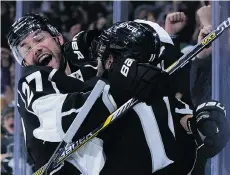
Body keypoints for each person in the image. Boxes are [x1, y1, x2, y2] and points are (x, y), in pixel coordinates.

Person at [7, 14, 229, 175]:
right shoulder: (33, 83)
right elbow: (64, 119)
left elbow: (152, 99)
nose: (34, 49)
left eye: (38, 39)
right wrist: (118, 87)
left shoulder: (93, 69)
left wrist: (191, 124)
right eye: (24, 49)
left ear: (58, 39)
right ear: (24, 62)